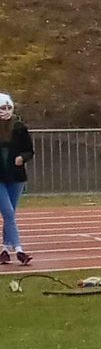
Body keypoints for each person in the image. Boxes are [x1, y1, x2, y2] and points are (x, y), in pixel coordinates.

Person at [0, 93, 30, 266]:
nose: (6, 111)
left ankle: (4, 249)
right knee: (8, 213)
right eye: (2, 108)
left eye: (8, 108)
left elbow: (29, 150)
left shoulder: (19, 127)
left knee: (9, 213)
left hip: (16, 177)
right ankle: (19, 249)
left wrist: (22, 158)